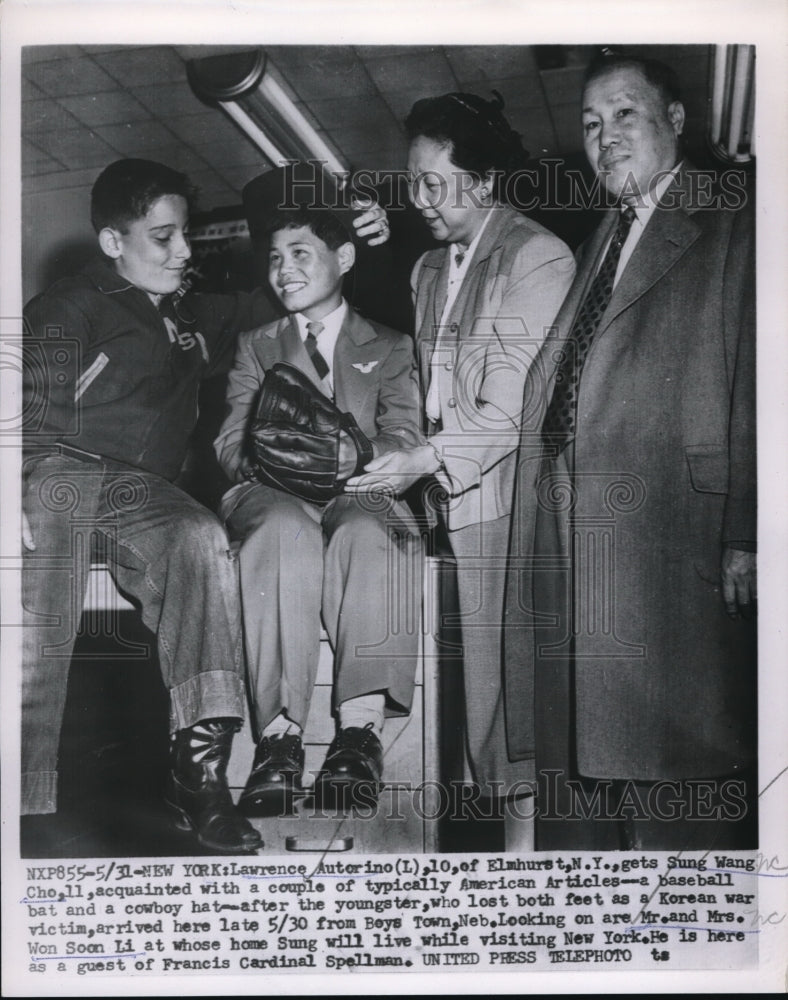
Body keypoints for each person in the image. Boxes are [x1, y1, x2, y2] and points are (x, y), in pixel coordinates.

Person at [20, 156, 390, 852]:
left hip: (138, 494)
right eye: (163, 237)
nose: (184, 250)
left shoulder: (189, 318)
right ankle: (20, 790)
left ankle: (201, 779)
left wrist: (363, 238)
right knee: (44, 553)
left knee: (199, 533)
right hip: (55, 471)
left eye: (184, 233)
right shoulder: (68, 305)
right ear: (112, 243)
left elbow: (289, 291)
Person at [503, 52, 757, 850]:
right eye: (588, 123)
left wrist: (748, 527)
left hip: (673, 538)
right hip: (577, 541)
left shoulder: (737, 215)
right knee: (582, 790)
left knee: (680, 791)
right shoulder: (601, 240)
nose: (603, 136)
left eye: (623, 114)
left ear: (676, 119)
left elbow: (763, 375)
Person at [346, 93, 575, 802]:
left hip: (508, 511)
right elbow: (425, 389)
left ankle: (528, 879)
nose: (418, 200)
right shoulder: (427, 271)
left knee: (515, 727)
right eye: (412, 182)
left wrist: (421, 460)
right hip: (451, 508)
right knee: (482, 724)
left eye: (433, 184)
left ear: (483, 182)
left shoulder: (535, 254)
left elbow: (508, 412)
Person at [214, 169, 425, 814]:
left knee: (373, 526)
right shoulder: (256, 346)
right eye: (275, 259)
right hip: (273, 495)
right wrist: (282, 455)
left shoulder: (389, 345)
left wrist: (356, 460)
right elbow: (228, 447)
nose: (284, 270)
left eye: (300, 253)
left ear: (345, 257)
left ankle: (357, 737)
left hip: (359, 490)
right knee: (282, 530)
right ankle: (279, 740)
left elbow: (404, 433)